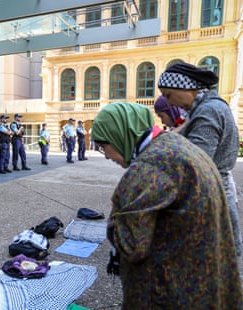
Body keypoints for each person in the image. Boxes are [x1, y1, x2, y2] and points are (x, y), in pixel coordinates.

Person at [91, 102, 243, 308]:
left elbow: (131, 245)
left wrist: (117, 214)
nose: (106, 155)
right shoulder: (176, 145)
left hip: (171, 292)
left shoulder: (149, 166)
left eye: (103, 146)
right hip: (201, 281)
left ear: (120, 134)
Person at [158, 62, 243, 256]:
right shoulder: (207, 107)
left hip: (209, 194)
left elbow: (196, 162)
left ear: (186, 88)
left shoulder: (208, 111)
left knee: (209, 264)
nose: (169, 103)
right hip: (214, 188)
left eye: (168, 95)